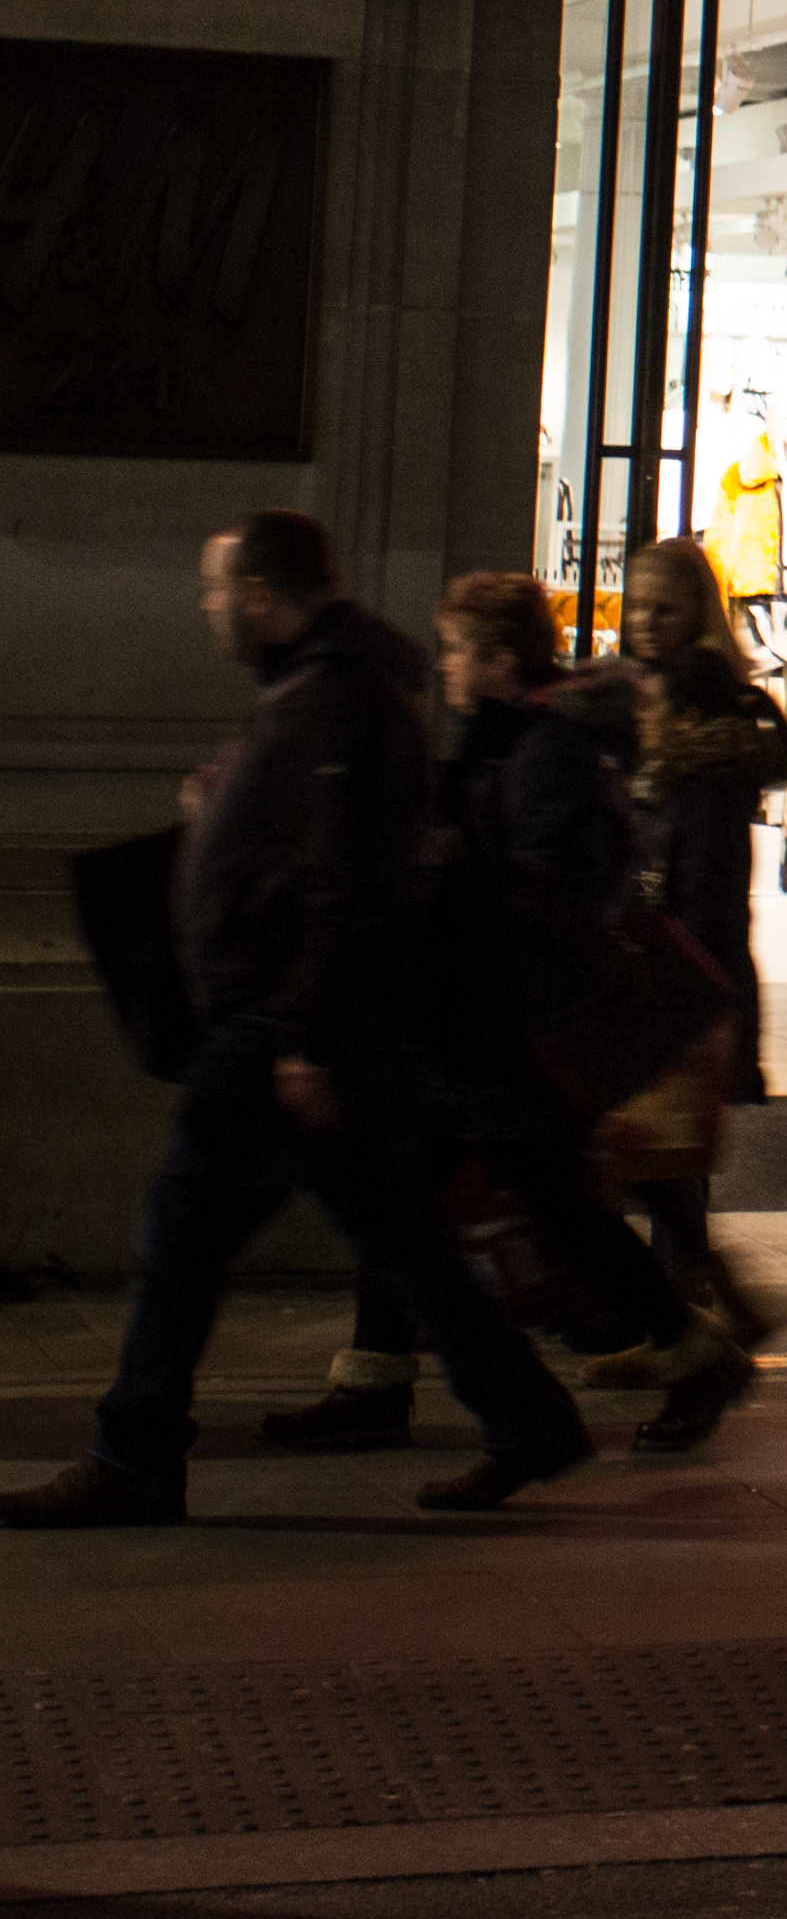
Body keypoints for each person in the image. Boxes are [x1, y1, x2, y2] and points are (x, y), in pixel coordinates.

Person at [7, 520, 602, 1526]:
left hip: (289, 1022)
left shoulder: (334, 697)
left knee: (184, 1228)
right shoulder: (324, 689)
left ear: (260, 591)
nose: (204, 606)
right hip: (321, 1020)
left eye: (214, 587)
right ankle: (527, 1414)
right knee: (400, 1232)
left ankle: (136, 1450)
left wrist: (298, 1033)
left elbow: (341, 878)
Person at [302, 575, 762, 1453]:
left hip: (510, 1028)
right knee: (432, 1195)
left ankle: (665, 1358)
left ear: (498, 660)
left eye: (456, 649)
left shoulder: (541, 749)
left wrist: (460, 898)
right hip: (486, 1023)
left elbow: (550, 890)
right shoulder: (508, 741)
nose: (443, 667)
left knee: (529, 1208)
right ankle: (380, 1376)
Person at [619, 533, 787, 1305]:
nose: (646, 622)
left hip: (678, 971)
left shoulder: (698, 726)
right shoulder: (651, 706)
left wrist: (675, 973)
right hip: (671, 966)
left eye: (664, 607)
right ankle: (678, 1313)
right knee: (663, 1164)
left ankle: (687, 1322)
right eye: (636, 607)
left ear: (695, 614)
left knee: (670, 1165)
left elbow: (706, 884)